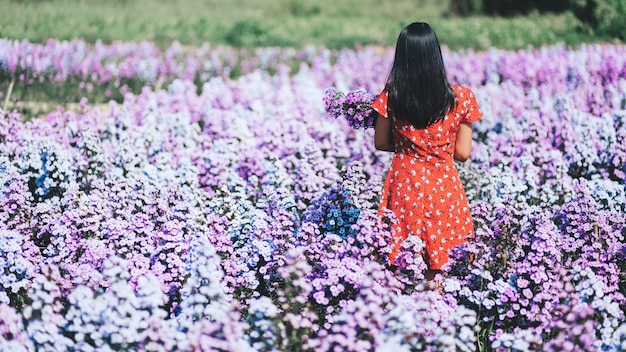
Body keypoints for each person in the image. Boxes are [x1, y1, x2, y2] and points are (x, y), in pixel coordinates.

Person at [372, 22, 482, 282]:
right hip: (443, 183)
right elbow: (463, 153)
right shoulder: (461, 97)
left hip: (405, 181)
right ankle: (439, 313)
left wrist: (409, 146)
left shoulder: (392, 95)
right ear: (436, 54)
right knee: (441, 261)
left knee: (402, 257)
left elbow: (381, 143)